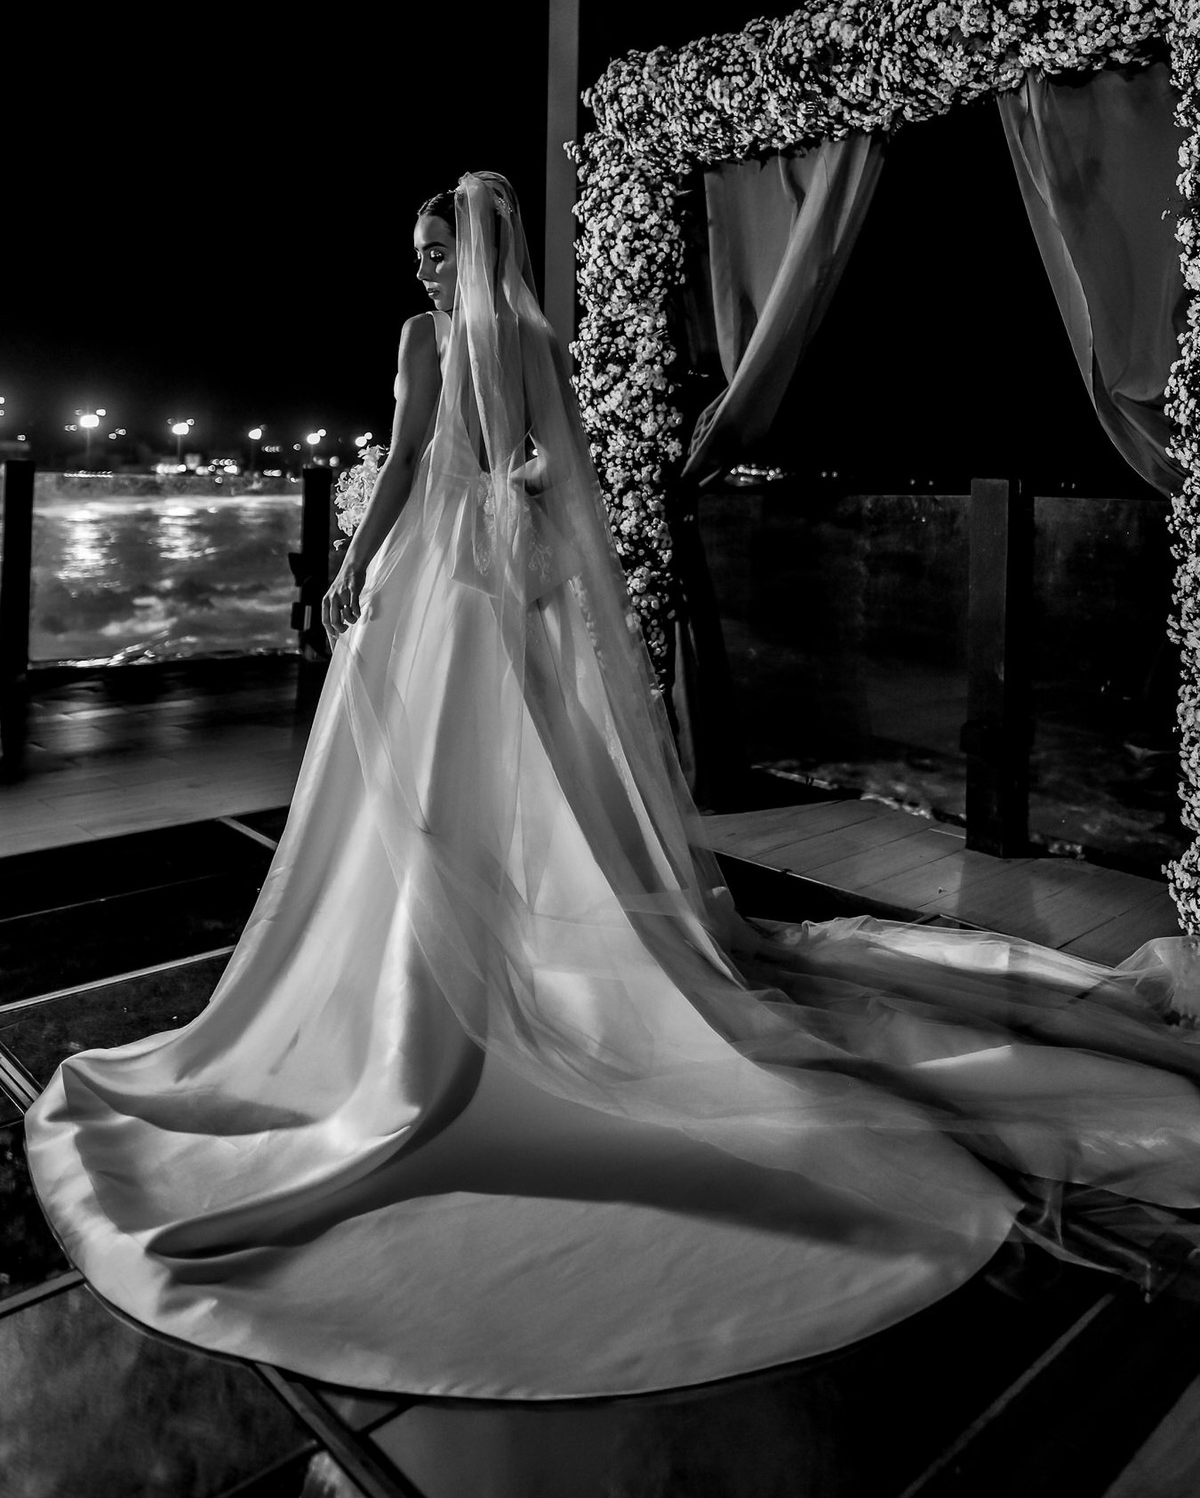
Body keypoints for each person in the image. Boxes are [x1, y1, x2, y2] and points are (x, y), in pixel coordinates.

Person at [24, 172, 1199, 1400]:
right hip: (498, 584)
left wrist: (355, 561)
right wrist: (520, 521)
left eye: (435, 248)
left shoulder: (431, 339)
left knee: (433, 783)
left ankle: (434, 988)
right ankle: (457, 967)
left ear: (471, 247)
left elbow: (410, 459)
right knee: (477, 784)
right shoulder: (527, 340)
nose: (424, 268)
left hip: (439, 579)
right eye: (418, 253)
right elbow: (560, 474)